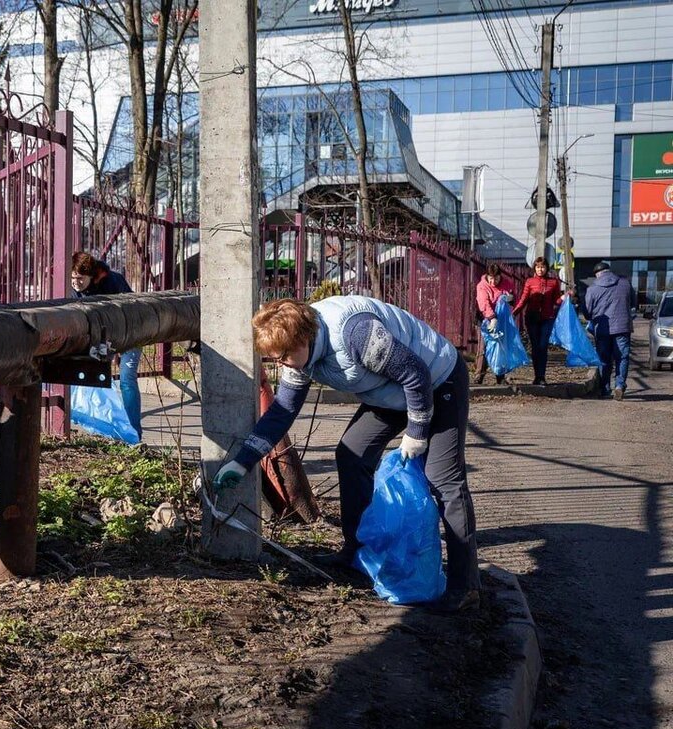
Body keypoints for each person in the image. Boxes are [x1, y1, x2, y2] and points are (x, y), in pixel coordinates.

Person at [212, 296, 479, 614]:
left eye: (283, 356)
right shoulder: (302, 355)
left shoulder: (358, 335)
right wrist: (243, 461)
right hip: (388, 393)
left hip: (438, 381)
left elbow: (415, 374)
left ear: (304, 337)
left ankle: (466, 585)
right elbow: (281, 412)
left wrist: (417, 432)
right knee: (352, 453)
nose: (280, 364)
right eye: (275, 359)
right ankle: (358, 552)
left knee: (443, 479)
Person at [70, 251, 142, 437]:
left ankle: (133, 431)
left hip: (133, 332)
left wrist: (118, 348)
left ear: (92, 277)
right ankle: (108, 427)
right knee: (98, 377)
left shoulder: (112, 282)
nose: (76, 283)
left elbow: (128, 314)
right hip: (106, 337)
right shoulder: (78, 290)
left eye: (80, 279)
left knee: (127, 379)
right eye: (72, 278)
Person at [583, 260, 635, 400]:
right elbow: (633, 303)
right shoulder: (625, 283)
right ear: (609, 271)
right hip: (622, 327)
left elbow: (587, 312)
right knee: (622, 357)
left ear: (597, 274)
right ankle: (619, 385)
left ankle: (605, 389)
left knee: (604, 359)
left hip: (602, 329)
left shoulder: (592, 288)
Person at [512, 257, 565, 385]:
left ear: (547, 268)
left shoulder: (553, 282)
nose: (540, 269)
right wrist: (514, 313)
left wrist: (564, 297)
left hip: (547, 318)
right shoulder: (530, 282)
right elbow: (523, 299)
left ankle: (541, 376)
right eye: (537, 267)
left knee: (543, 346)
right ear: (534, 268)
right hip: (532, 318)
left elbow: (556, 301)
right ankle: (537, 376)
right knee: (536, 347)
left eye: (542, 267)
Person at [473, 264, 515, 385]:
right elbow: (483, 303)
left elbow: (511, 296)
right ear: (487, 276)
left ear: (499, 276)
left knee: (500, 347)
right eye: (490, 278)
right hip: (484, 319)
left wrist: (511, 298)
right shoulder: (482, 286)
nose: (493, 281)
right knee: (483, 347)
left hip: (500, 321)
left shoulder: (506, 283)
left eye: (496, 278)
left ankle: (500, 376)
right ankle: (479, 375)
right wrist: (492, 318)